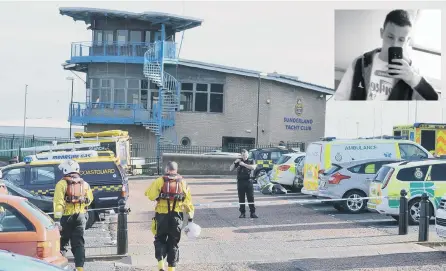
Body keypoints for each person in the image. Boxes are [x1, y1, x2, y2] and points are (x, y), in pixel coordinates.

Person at [334, 9, 438, 101]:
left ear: (408, 41)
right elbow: (339, 98)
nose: (394, 44)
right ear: (382, 33)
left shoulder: (412, 71)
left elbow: (435, 101)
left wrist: (411, 78)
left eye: (401, 40)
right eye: (390, 37)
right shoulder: (360, 63)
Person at [145, 161, 195, 271]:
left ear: (167, 170)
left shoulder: (159, 181)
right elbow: (188, 203)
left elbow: (150, 195)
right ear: (176, 170)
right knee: (173, 242)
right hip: (176, 216)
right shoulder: (183, 183)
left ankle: (161, 265)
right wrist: (190, 217)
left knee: (160, 239)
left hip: (162, 215)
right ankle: (171, 268)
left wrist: (159, 196)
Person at [53, 160, 93, 271]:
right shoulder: (84, 184)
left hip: (66, 218)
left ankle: (60, 267)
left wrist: (57, 219)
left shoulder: (61, 184)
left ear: (65, 170)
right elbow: (90, 200)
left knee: (62, 243)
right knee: (79, 243)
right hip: (81, 216)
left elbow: (58, 203)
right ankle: (80, 268)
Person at [230, 149, 258, 218]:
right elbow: (230, 169)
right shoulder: (239, 161)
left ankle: (252, 213)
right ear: (241, 155)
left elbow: (253, 167)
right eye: (243, 155)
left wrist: (244, 164)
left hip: (249, 181)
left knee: (250, 198)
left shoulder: (251, 160)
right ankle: (242, 213)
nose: (244, 156)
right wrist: (234, 162)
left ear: (248, 155)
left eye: (245, 155)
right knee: (241, 198)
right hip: (240, 182)